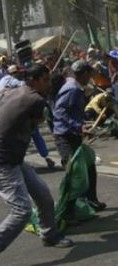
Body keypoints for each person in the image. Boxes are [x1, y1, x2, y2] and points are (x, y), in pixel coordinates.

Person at [0, 64, 74, 252]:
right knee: (21, 211)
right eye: (45, 80)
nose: (48, 84)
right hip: (4, 161)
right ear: (34, 80)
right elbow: (39, 121)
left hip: (14, 157)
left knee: (43, 197)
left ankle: (49, 234)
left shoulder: (15, 91)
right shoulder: (34, 100)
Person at [53, 60, 106, 210]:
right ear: (83, 74)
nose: (89, 78)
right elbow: (59, 111)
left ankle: (91, 200)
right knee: (75, 174)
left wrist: (84, 125)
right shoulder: (72, 89)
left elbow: (72, 111)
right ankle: (68, 210)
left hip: (72, 133)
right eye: (88, 74)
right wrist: (78, 126)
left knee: (89, 166)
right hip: (65, 137)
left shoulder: (76, 87)